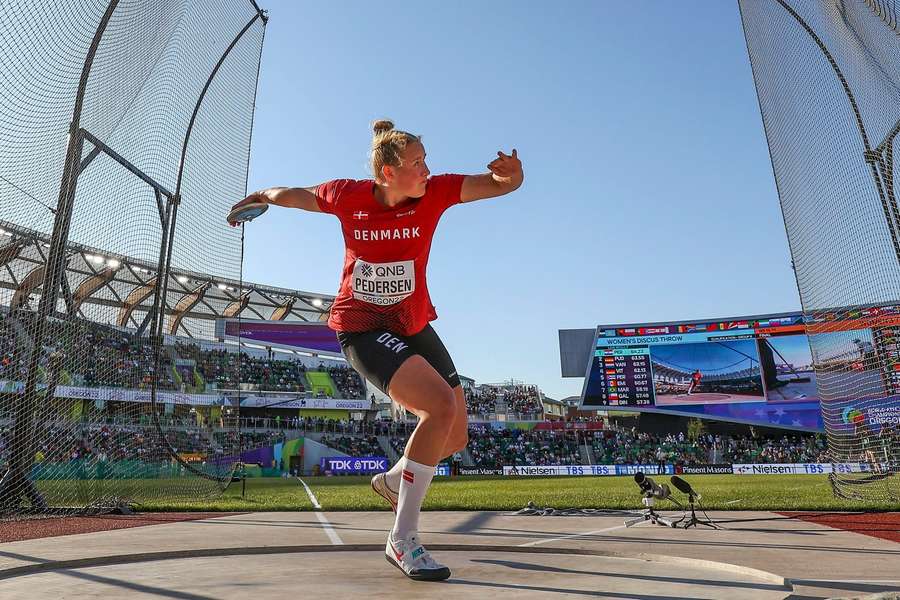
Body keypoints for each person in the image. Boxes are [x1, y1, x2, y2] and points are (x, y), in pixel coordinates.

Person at [228, 120, 523, 581]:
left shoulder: (436, 193)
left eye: (426, 160)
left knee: (456, 436)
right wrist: (262, 195)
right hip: (362, 327)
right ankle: (402, 539)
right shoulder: (349, 196)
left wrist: (511, 173)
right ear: (387, 172)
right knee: (439, 406)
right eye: (417, 162)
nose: (428, 169)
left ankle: (392, 479)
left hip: (413, 324)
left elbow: (500, 185)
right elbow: (298, 194)